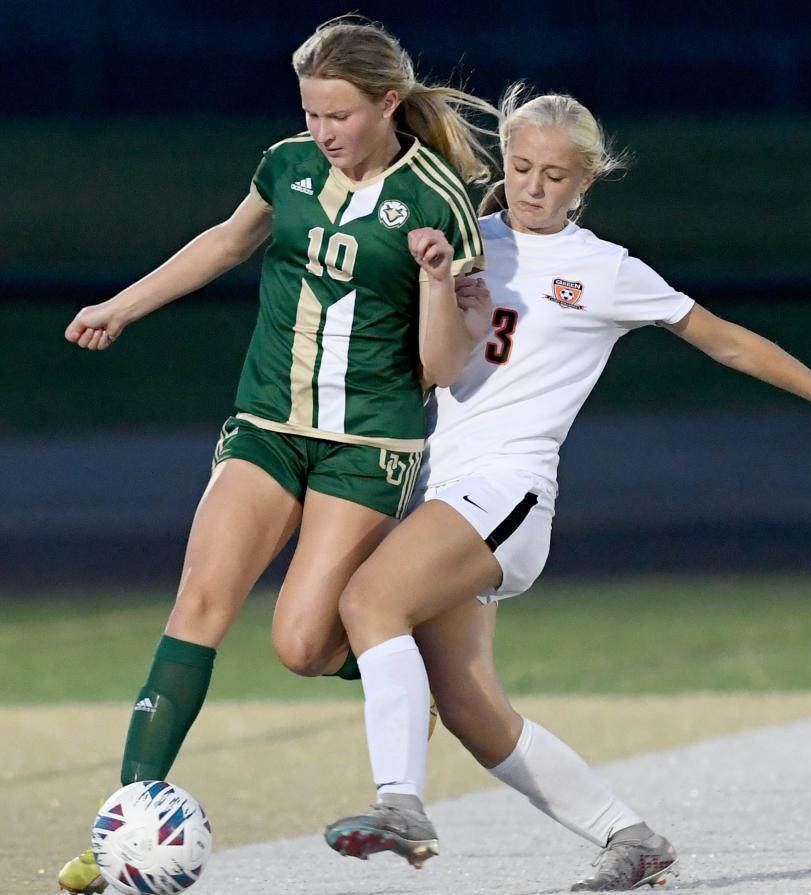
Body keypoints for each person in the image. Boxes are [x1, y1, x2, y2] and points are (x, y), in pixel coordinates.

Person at [321, 86, 811, 891]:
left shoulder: (604, 271)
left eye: (557, 175)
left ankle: (399, 801)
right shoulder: (466, 239)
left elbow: (727, 341)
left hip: (508, 495)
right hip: (447, 489)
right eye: (523, 166)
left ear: (587, 182)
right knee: (469, 705)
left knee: (369, 602)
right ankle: (632, 838)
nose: (535, 185)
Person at [56, 17, 495, 895]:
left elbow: (445, 369)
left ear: (388, 103)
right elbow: (226, 240)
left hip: (369, 441)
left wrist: (440, 281)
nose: (322, 131)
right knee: (200, 601)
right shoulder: (286, 165)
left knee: (300, 643)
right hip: (267, 422)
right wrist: (124, 304)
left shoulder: (436, 200)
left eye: (338, 114)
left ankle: (405, 670)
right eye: (310, 111)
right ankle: (126, 828)